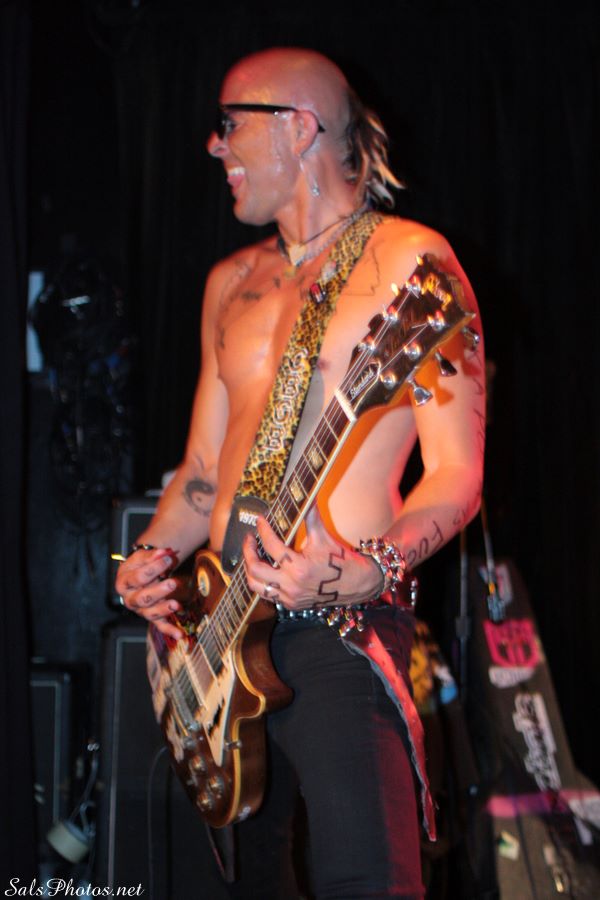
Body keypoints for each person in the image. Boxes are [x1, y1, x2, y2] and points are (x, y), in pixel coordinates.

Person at [115, 46, 485, 900]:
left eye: (229, 123)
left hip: (337, 618)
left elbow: (457, 473)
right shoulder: (230, 282)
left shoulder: (414, 263)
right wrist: (150, 556)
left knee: (368, 878)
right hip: (216, 631)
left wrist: (369, 568)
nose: (214, 147)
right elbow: (202, 471)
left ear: (299, 125)